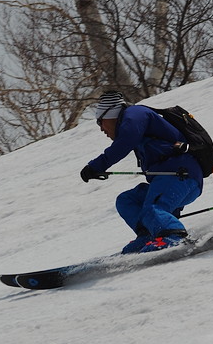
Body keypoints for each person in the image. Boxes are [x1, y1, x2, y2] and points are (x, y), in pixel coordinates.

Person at [80, 90, 204, 254]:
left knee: (152, 207)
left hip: (181, 176)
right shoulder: (134, 120)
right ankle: (148, 234)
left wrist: (96, 166)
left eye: (100, 122)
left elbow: (125, 142)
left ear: (110, 114)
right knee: (127, 200)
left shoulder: (135, 115)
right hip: (169, 180)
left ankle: (173, 236)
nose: (101, 129)